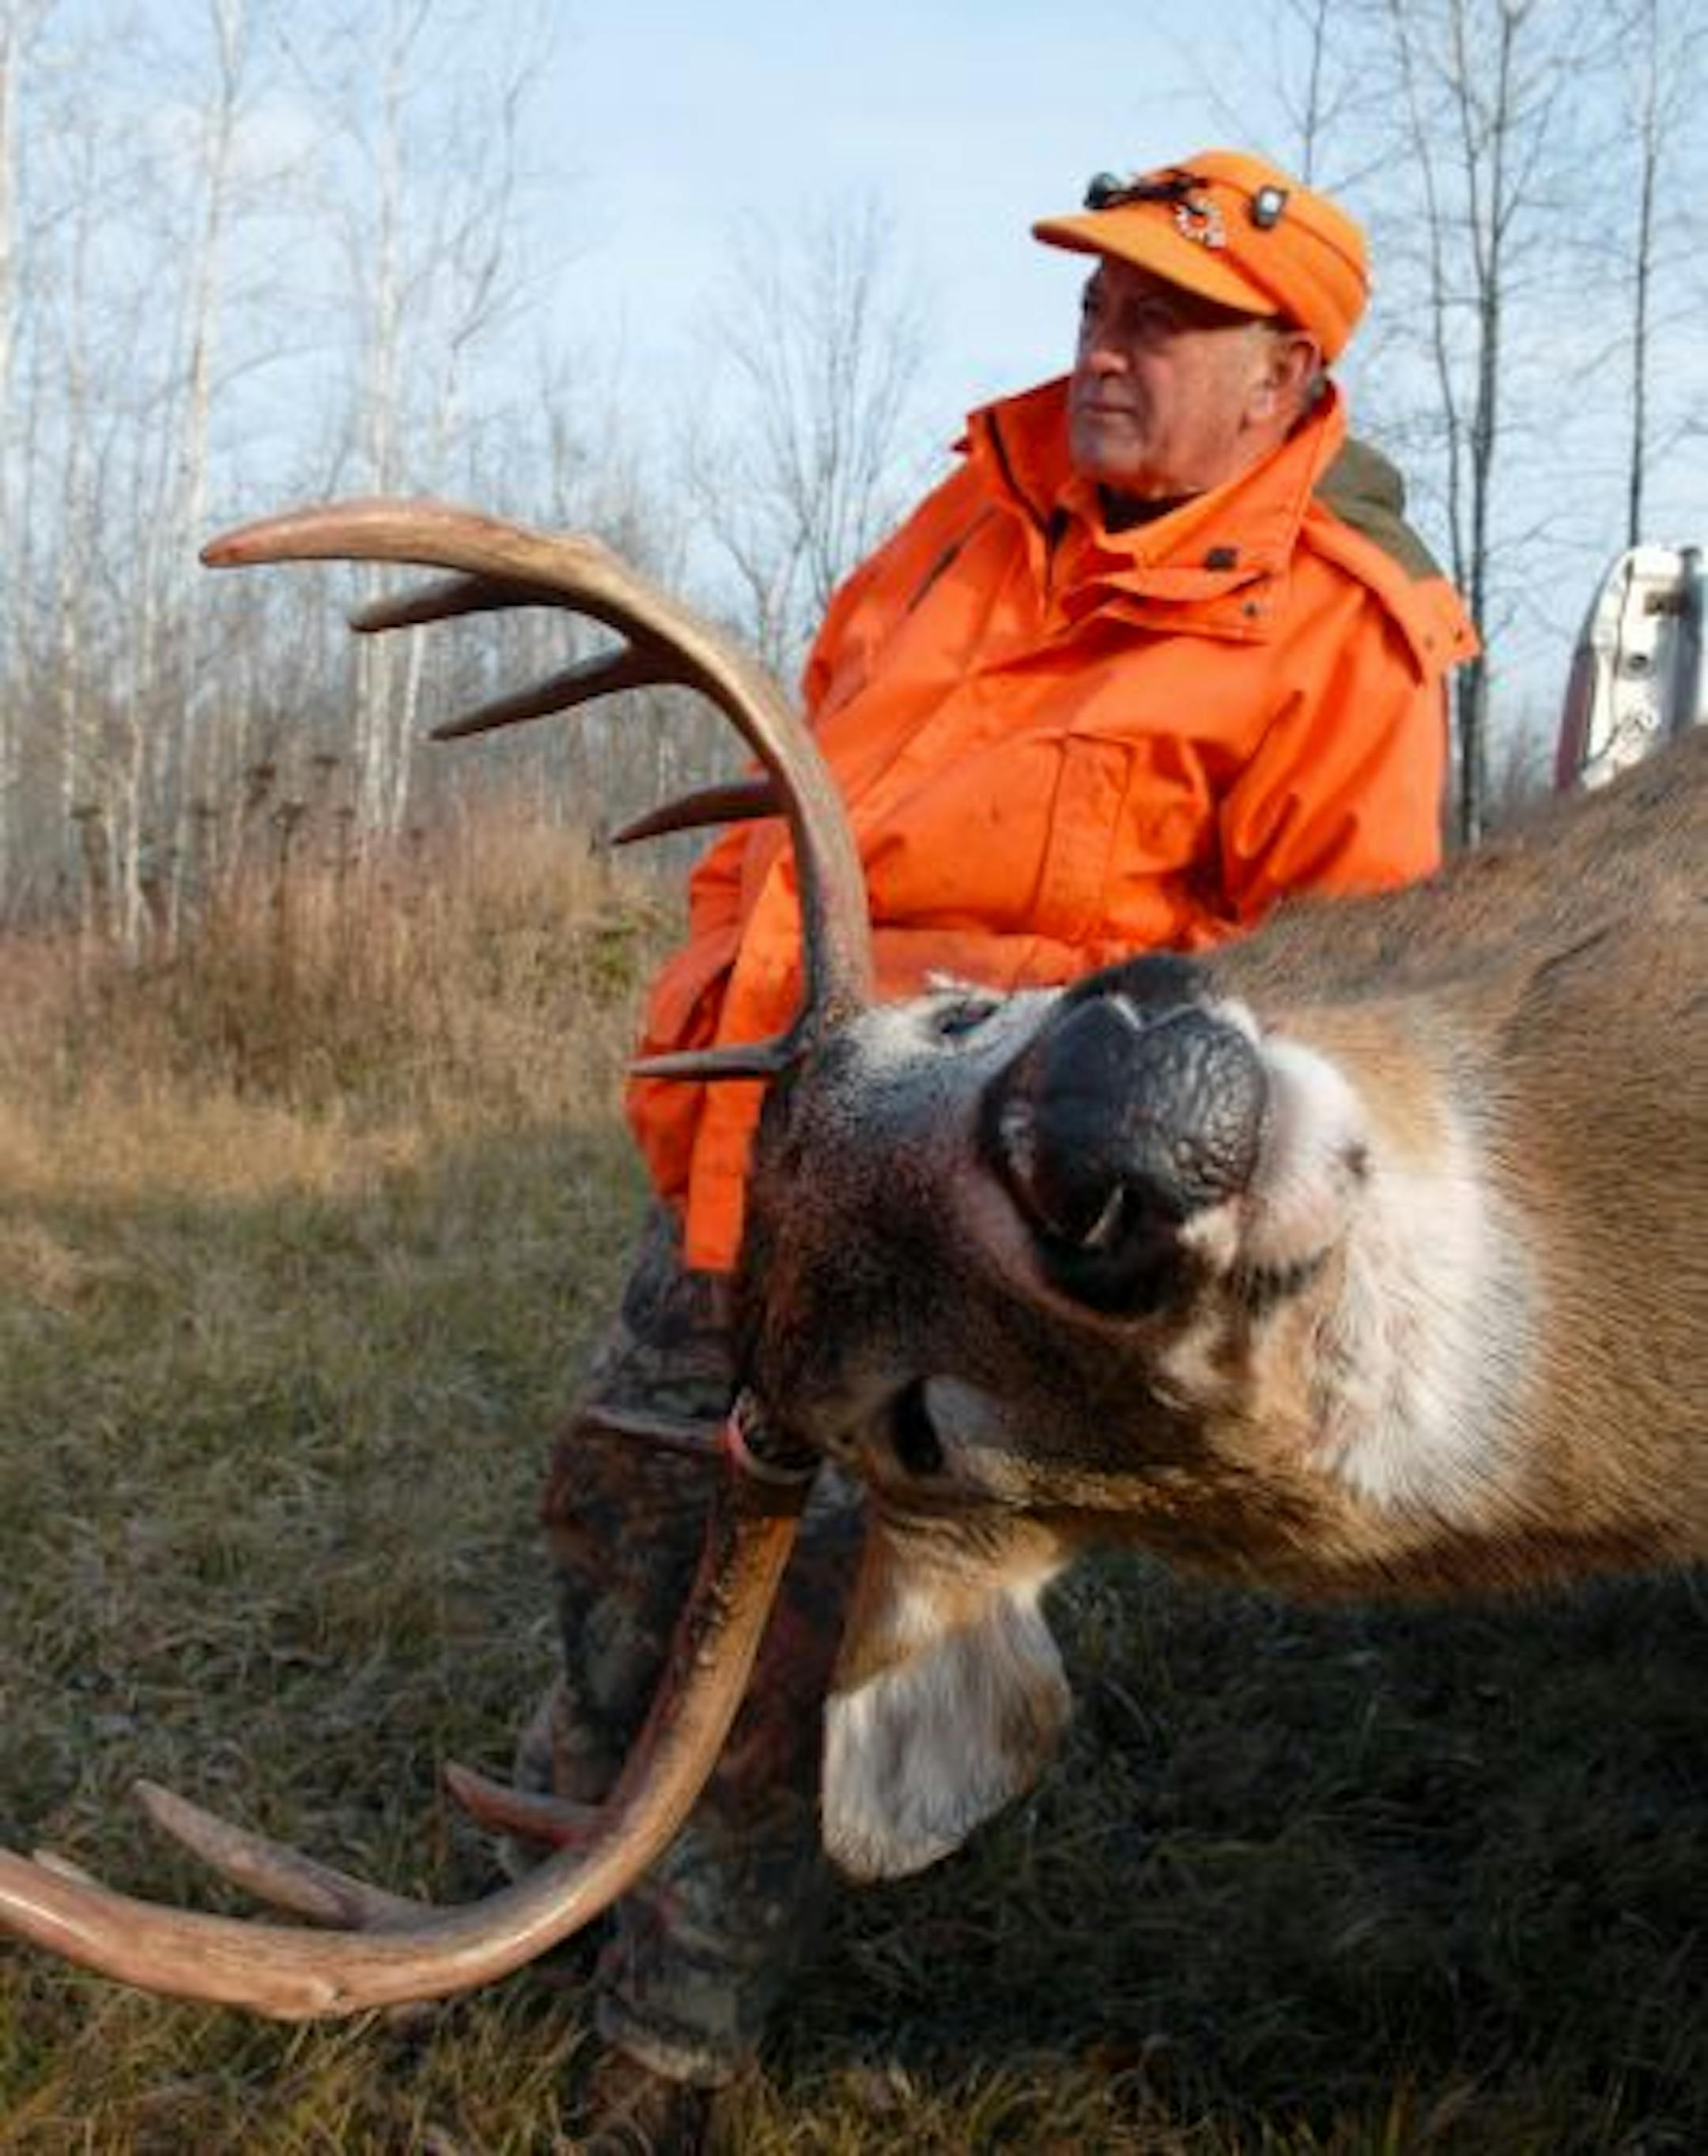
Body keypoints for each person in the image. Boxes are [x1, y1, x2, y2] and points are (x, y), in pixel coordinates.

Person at [514, 148, 1479, 2151]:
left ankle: (652, 2069)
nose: (1103, 344)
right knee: (619, 1538)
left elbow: (1328, 1032)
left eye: (1159, 319)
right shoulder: (975, 505)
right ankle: (534, 1911)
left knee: (779, 1656)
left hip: (949, 1240)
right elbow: (806, 782)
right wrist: (720, 976)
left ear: (1287, 373)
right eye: (1094, 304)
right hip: (744, 1144)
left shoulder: (1346, 640)